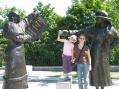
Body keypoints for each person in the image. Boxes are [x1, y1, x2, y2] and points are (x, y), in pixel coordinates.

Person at [60, 10, 119, 89]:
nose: (96, 19)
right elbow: (80, 32)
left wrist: (109, 48)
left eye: (97, 17)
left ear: (102, 19)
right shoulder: (93, 29)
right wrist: (68, 32)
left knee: (102, 71)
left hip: (103, 54)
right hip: (93, 53)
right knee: (94, 72)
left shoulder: (111, 29)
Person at [2, 9, 47, 89]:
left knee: (21, 72)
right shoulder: (8, 24)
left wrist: (35, 13)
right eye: (11, 16)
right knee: (12, 74)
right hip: (13, 53)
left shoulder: (20, 24)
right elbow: (18, 38)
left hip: (20, 53)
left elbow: (27, 20)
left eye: (15, 16)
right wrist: (30, 36)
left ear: (18, 17)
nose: (12, 17)